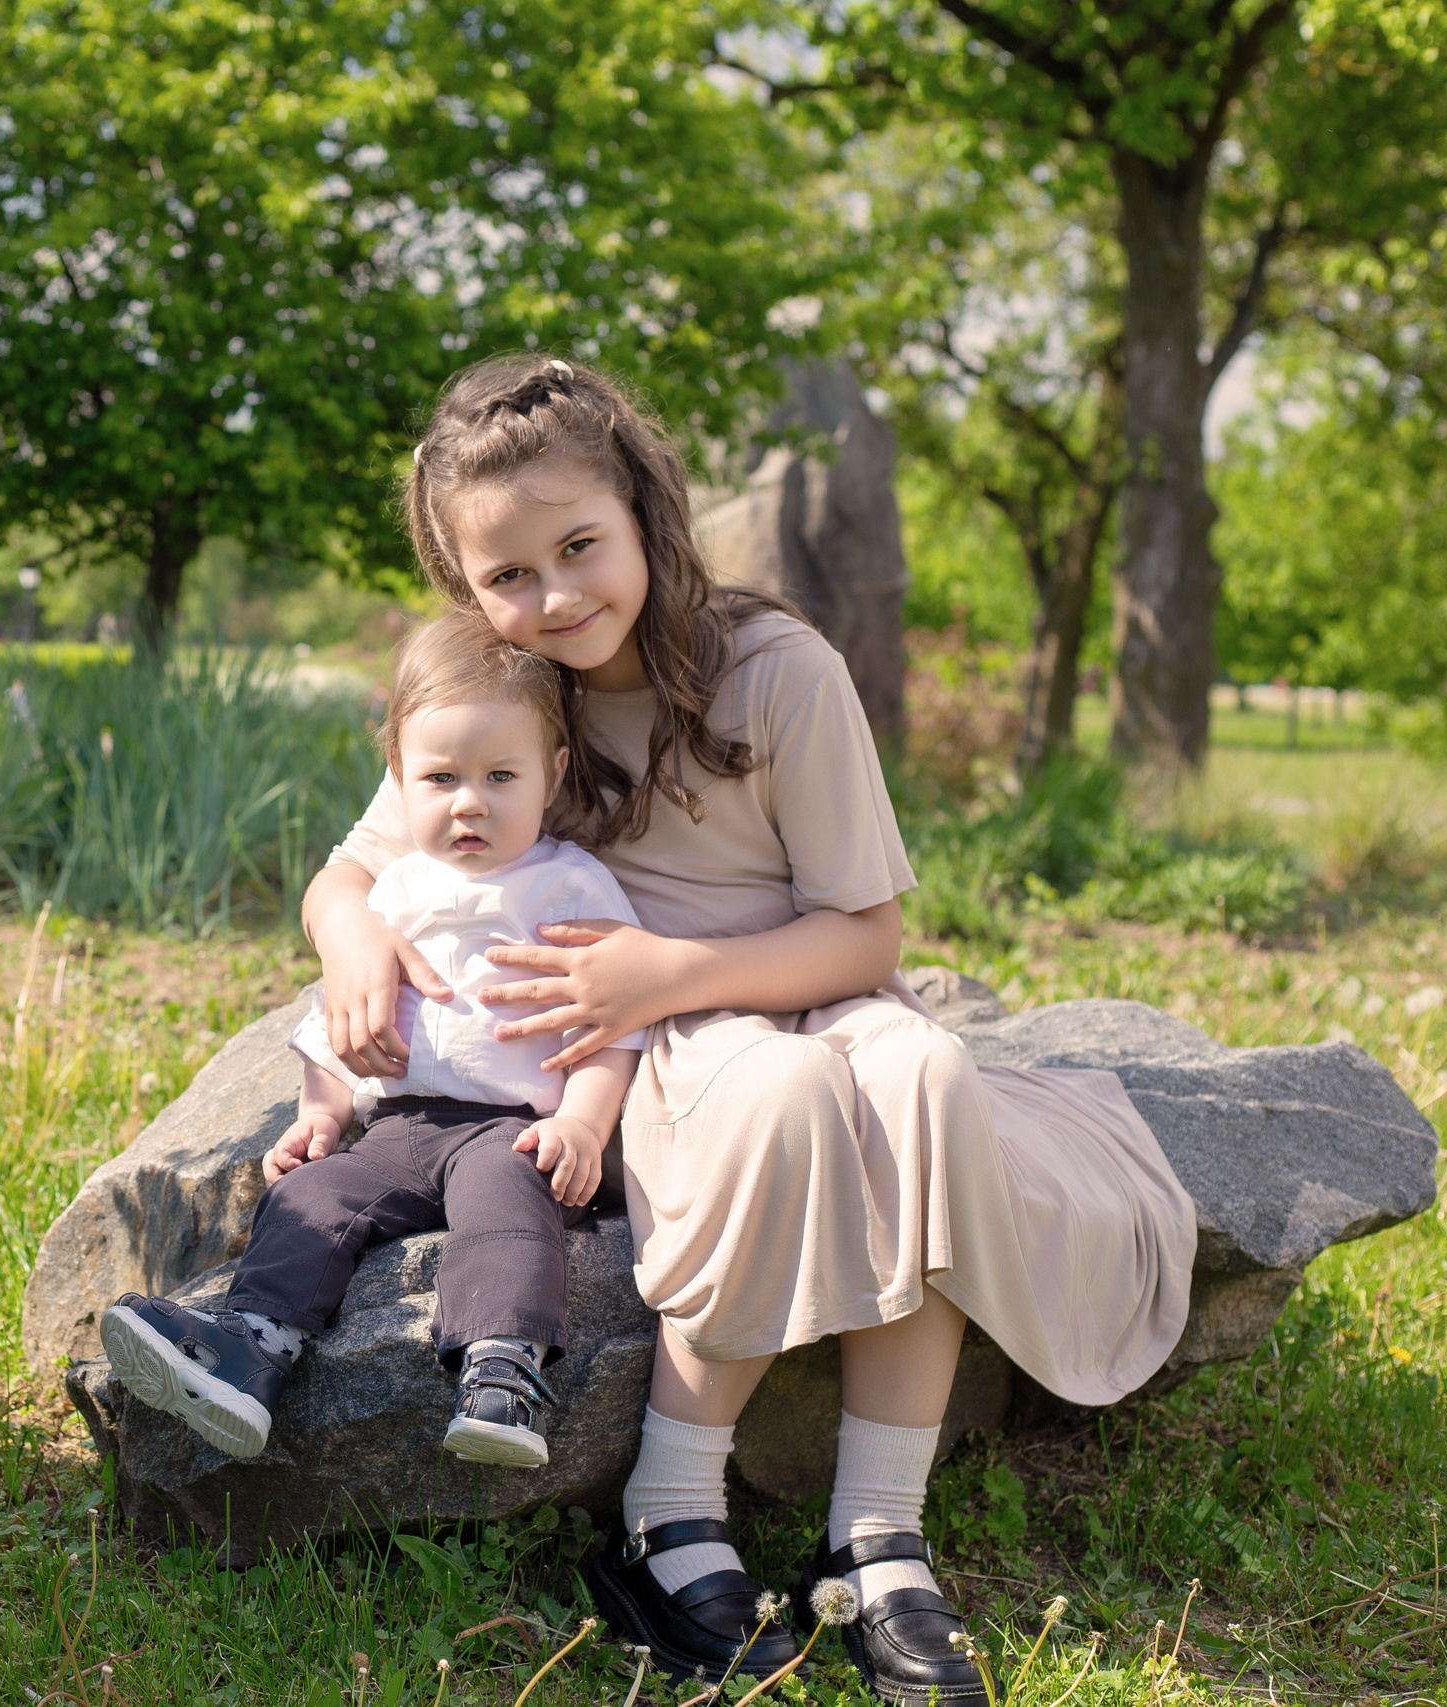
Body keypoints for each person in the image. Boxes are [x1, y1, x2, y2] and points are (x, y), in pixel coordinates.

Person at [302, 356, 1196, 1702]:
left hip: (786, 979)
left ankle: (880, 1530)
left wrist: (668, 965)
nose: (552, 596)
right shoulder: (512, 694)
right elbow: (350, 871)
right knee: (779, 1092)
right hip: (659, 1046)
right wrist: (355, 943)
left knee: (926, 1071)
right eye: (507, 575)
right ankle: (667, 1516)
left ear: (646, 515)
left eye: (580, 547)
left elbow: (868, 934)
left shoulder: (779, 670)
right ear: (463, 583)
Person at [100, 611, 647, 1470]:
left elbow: (614, 1025)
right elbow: (340, 1015)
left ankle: (501, 1367)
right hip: (398, 1126)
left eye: (502, 775)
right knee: (311, 1198)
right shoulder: (390, 892)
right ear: (399, 777)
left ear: (554, 772)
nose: (471, 800)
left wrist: (582, 1122)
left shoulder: (570, 882)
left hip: (512, 1124)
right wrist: (320, 1112)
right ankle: (252, 1349)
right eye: (441, 777)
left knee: (508, 1205)